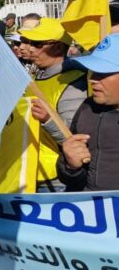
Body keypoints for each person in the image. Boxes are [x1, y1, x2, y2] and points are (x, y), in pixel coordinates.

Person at [19, 18, 87, 191]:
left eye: (37, 44)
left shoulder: (74, 83)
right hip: (29, 170)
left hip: (55, 178)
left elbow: (77, 139)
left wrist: (48, 120)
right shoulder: (36, 76)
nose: (29, 48)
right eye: (27, 42)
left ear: (57, 47)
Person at [58, 35, 119, 191]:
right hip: (88, 205)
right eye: (93, 71)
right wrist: (71, 166)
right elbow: (72, 179)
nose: (92, 79)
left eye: (103, 73)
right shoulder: (87, 107)